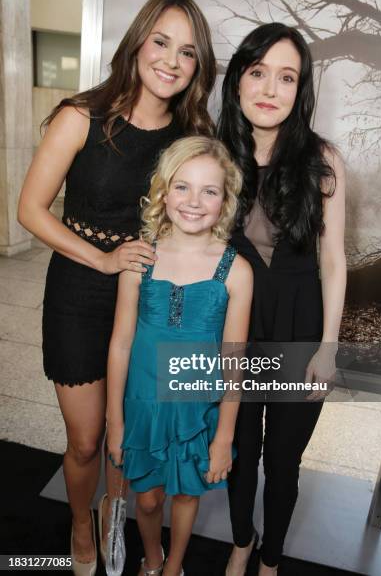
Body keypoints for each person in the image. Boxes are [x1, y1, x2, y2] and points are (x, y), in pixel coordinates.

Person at [18, 0, 216, 576]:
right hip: (80, 295)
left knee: (121, 441)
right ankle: (82, 524)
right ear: (137, 42)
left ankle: (114, 519)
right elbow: (31, 209)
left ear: (197, 68)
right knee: (84, 441)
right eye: (161, 42)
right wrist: (103, 261)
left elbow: (205, 207)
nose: (171, 61)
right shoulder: (82, 115)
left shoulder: (190, 132)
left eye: (187, 53)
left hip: (148, 303)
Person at [218, 23, 346, 575]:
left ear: (301, 89)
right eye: (258, 72)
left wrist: (329, 347)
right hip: (235, 328)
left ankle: (271, 559)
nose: (271, 88)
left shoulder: (323, 162)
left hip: (299, 324)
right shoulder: (214, 156)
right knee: (239, 451)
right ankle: (242, 540)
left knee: (285, 461)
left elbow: (334, 260)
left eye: (287, 76)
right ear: (239, 80)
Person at [106, 136, 253, 576]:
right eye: (182, 187)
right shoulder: (140, 258)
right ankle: (152, 559)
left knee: (187, 495)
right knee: (147, 497)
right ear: (163, 191)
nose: (194, 201)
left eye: (209, 191)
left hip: (196, 408)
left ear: (225, 200)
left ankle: (175, 567)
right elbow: (121, 342)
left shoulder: (236, 271)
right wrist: (115, 419)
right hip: (143, 405)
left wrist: (224, 437)